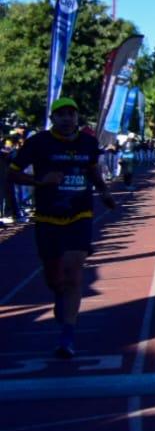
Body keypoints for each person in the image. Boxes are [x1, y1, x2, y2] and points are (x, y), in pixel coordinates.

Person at [8, 99, 118, 357]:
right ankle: (59, 294)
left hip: (79, 214)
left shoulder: (88, 144)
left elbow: (93, 173)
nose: (67, 119)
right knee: (54, 277)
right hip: (48, 217)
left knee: (74, 270)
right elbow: (12, 174)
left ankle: (67, 335)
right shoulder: (38, 143)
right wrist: (39, 181)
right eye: (62, 115)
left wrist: (104, 193)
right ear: (53, 118)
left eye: (71, 114)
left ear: (77, 117)